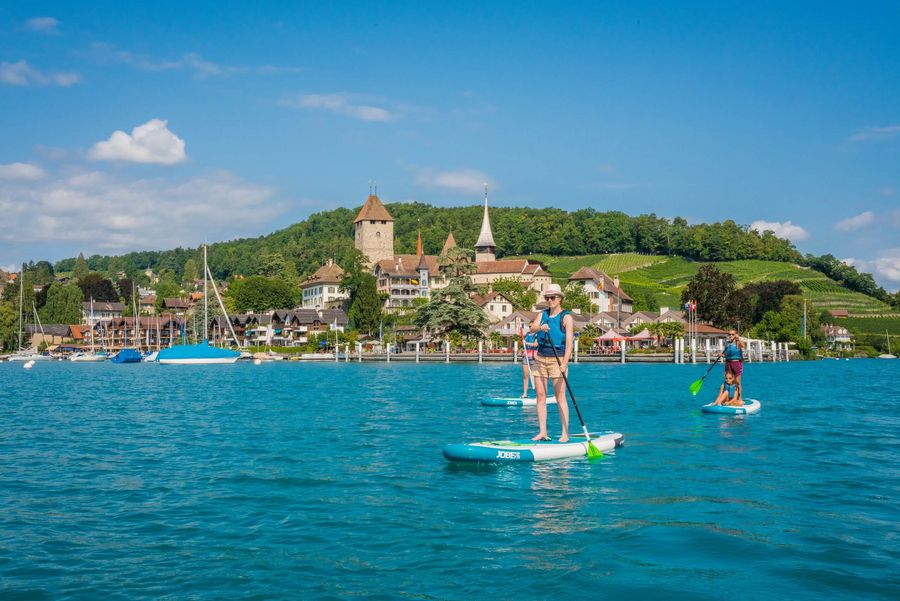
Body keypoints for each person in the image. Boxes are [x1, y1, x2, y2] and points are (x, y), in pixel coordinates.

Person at [529, 283, 574, 443]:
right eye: (547, 298)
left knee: (560, 397)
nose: (550, 300)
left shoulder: (566, 317)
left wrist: (565, 363)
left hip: (558, 359)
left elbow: (569, 343)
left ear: (560, 299)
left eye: (552, 297)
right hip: (541, 358)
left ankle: (565, 434)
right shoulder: (542, 314)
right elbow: (532, 329)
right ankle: (542, 432)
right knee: (540, 396)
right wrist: (541, 327)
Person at [721, 329, 745, 400]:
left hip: (737, 363)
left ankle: (739, 398)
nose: (731, 335)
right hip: (728, 363)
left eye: (732, 334)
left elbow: (743, 346)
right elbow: (725, 353)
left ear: (735, 335)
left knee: (737, 382)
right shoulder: (727, 343)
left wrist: (738, 339)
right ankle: (726, 398)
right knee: (728, 381)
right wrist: (722, 355)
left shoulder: (738, 342)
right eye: (729, 334)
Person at [520, 327, 538, 398]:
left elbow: (535, 344)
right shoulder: (527, 334)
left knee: (536, 376)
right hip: (526, 356)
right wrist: (523, 343)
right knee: (525, 376)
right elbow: (524, 345)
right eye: (529, 326)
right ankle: (525, 394)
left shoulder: (537, 335)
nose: (531, 328)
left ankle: (538, 394)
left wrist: (526, 343)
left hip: (534, 357)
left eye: (532, 326)